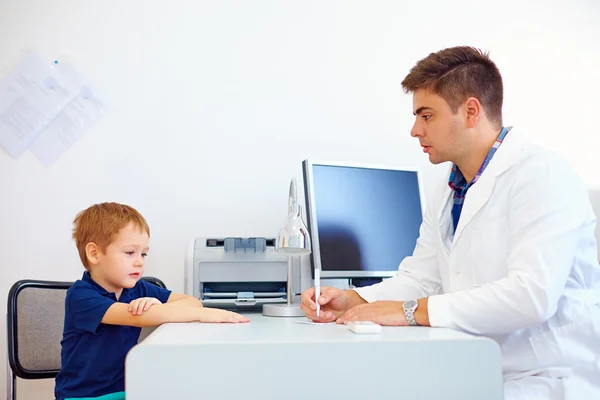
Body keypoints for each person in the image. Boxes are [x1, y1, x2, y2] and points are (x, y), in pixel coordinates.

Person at [300, 46, 600, 399]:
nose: (414, 130)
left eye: (427, 116)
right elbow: (422, 277)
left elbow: (531, 295)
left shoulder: (543, 173)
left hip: (547, 375)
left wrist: (410, 312)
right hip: (477, 364)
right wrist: (355, 299)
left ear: (471, 111)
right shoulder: (451, 186)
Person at [55, 202, 249, 400]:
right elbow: (139, 318)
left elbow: (192, 302)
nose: (139, 261)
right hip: (82, 396)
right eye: (130, 252)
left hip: (128, 391)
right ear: (94, 253)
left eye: (143, 253)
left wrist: (159, 305)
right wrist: (205, 314)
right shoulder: (81, 296)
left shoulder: (138, 288)